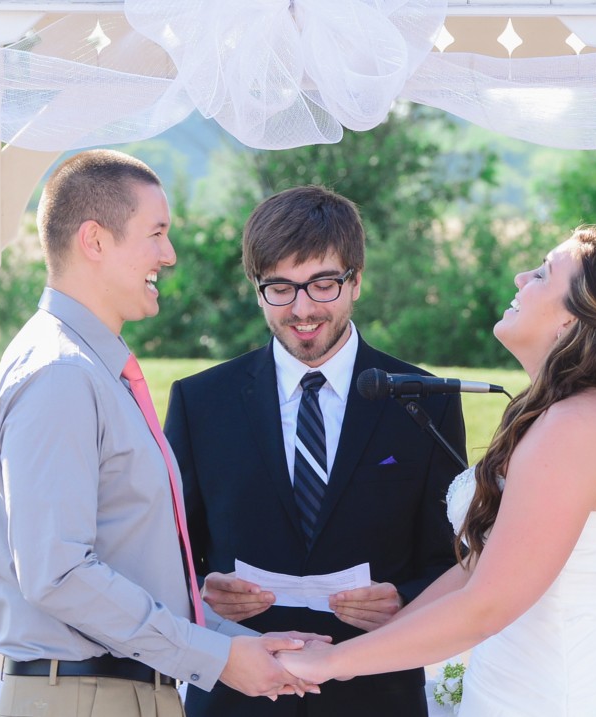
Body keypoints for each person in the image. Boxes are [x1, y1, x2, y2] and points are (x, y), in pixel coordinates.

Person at [279, 225, 596, 716]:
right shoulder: (569, 416)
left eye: (541, 274)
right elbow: (478, 570)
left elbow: (488, 604)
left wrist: (333, 664)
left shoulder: (577, 427)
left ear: (572, 320)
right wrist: (381, 640)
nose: (520, 276)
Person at [0, 149, 324, 717]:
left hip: (117, 693)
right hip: (86, 698)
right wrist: (210, 656)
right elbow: (58, 573)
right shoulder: (61, 373)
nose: (168, 255)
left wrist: (230, 644)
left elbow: (133, 569)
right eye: (156, 233)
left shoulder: (91, 371)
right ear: (94, 240)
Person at [163, 185, 467, 717]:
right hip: (237, 698)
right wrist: (206, 591)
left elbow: (451, 563)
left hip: (377, 697)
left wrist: (403, 597)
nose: (302, 309)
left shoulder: (426, 402)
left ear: (356, 281)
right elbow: (169, 556)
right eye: (280, 287)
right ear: (257, 291)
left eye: (323, 284)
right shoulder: (199, 401)